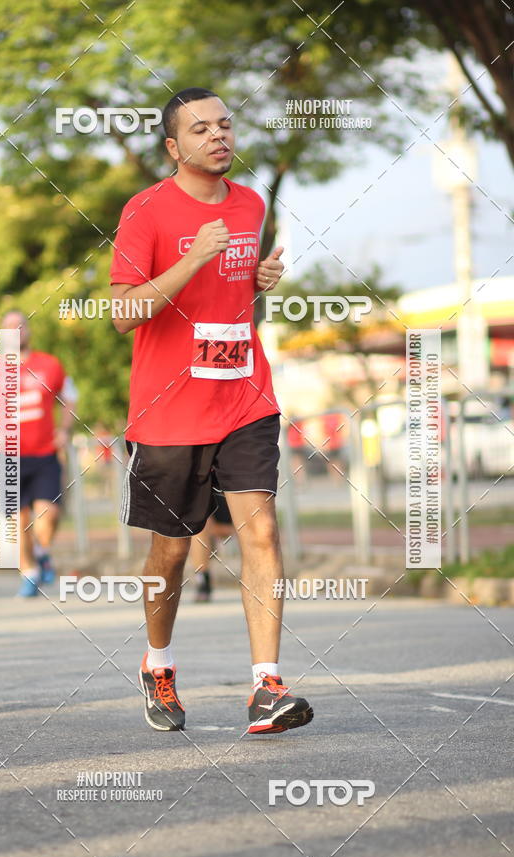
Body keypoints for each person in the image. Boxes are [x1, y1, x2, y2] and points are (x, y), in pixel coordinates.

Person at [110, 87, 313, 736]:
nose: (218, 136)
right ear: (174, 147)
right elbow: (123, 312)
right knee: (169, 555)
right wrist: (193, 256)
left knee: (261, 533)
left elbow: (231, 294)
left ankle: (266, 687)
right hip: (169, 411)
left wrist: (258, 282)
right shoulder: (145, 212)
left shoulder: (252, 204)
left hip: (244, 394)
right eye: (200, 129)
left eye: (224, 124)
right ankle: (159, 664)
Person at [0, 310, 77, 597]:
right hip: (8, 456)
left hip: (44, 454)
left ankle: (41, 551)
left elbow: (70, 399)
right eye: (8, 328)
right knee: (18, 519)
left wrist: (64, 430)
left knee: (49, 514)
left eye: (19, 326)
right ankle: (29, 573)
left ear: (28, 331)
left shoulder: (49, 365)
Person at [190, 490, 235, 603]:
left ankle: (260, 577)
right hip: (206, 495)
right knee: (199, 524)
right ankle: (203, 580)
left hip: (233, 493)